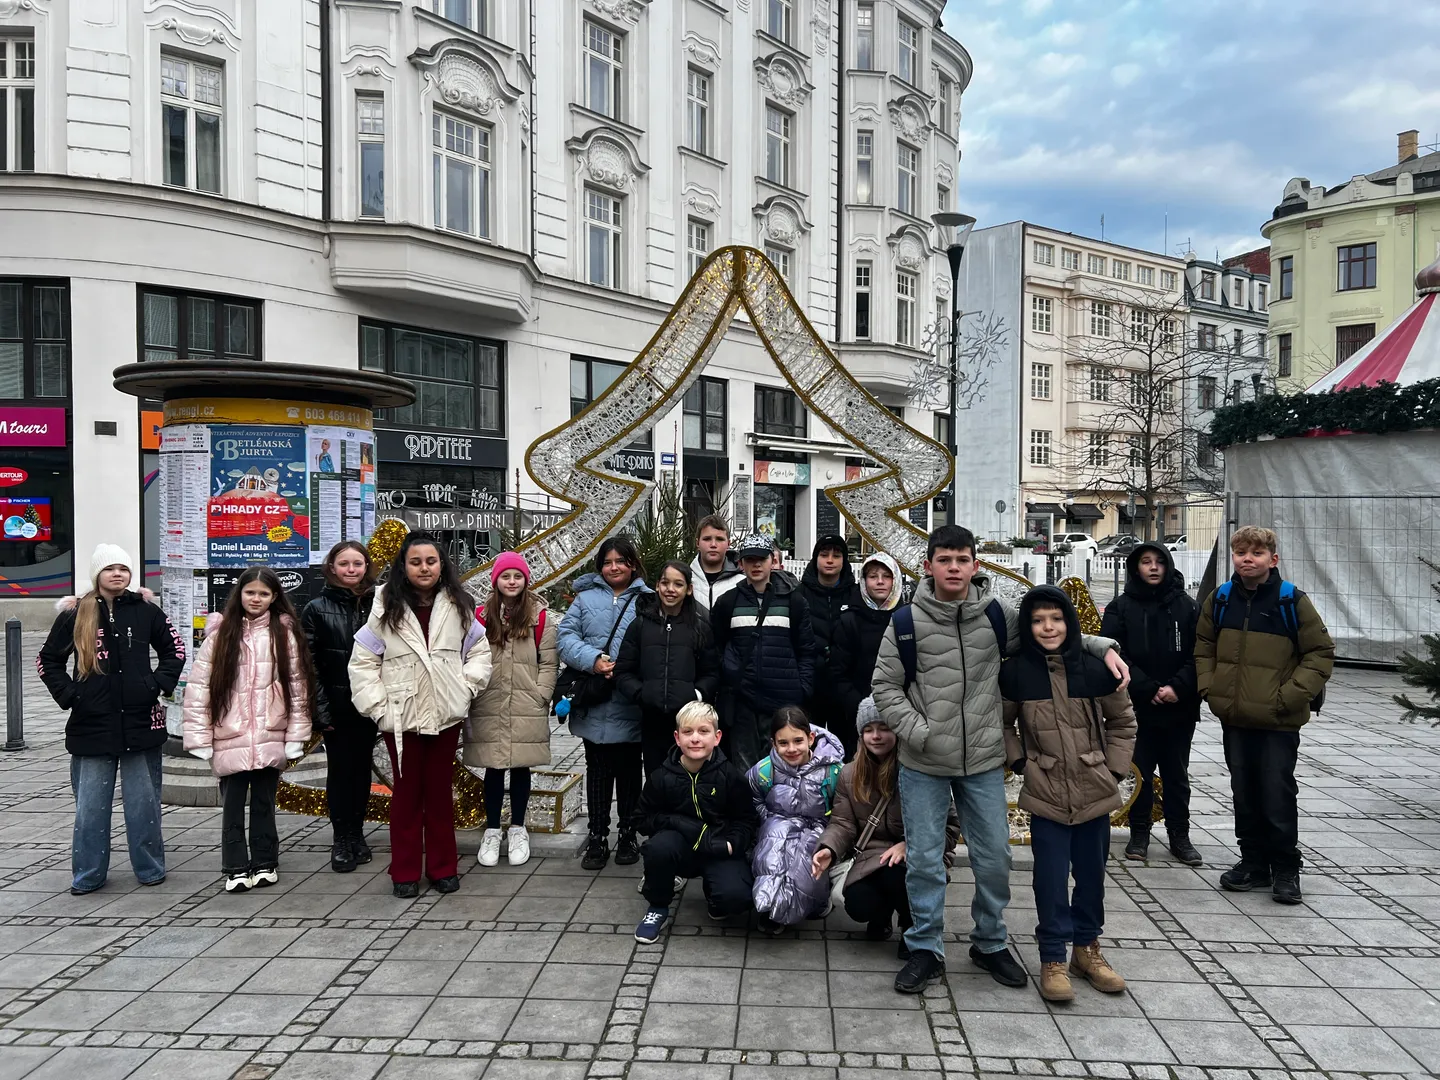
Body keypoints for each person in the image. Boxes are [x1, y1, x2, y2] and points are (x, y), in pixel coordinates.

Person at [871, 524, 1129, 994]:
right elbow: (885, 687)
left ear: (975, 565)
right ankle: (925, 946)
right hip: (924, 763)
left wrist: (1102, 646)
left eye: (962, 560)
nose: (954, 568)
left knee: (994, 858)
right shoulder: (905, 621)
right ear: (928, 566)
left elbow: (1048, 637)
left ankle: (989, 942)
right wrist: (919, 732)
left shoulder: (995, 615)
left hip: (983, 761)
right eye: (944, 560)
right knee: (925, 861)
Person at [1002, 585, 1137, 1002]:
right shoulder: (1016, 672)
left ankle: (1087, 948)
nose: (1048, 627)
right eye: (1038, 620)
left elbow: (1122, 723)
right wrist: (1022, 764)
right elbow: (1003, 726)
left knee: (1092, 876)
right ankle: (1052, 957)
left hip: (1094, 792)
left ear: (1070, 622)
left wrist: (1113, 769)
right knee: (1050, 878)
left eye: (1056, 619)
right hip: (1046, 795)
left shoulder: (1096, 668)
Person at [1196, 526, 1334, 905]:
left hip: (1278, 721)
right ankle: (1254, 863)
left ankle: (1286, 867)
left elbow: (1320, 652)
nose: (1247, 559)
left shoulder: (1292, 601)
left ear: (1272, 560)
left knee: (1277, 792)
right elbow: (1203, 645)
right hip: (1236, 718)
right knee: (1244, 792)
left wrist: (1288, 696)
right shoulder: (1220, 599)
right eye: (1241, 552)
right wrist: (1210, 688)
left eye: (1256, 553)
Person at [350, 533, 491, 898]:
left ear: (442, 565)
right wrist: (378, 707)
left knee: (441, 794)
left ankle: (443, 868)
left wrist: (465, 688)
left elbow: (479, 650)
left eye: (431, 561)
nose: (424, 568)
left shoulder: (459, 604)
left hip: (445, 715)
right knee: (407, 796)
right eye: (416, 562)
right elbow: (363, 661)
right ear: (404, 566)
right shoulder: (385, 606)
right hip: (401, 716)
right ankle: (405, 871)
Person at [38, 544, 185, 896]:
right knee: (90, 810)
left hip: (140, 723)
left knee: (144, 807)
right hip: (91, 727)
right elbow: (48, 660)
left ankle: (150, 869)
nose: (117, 574)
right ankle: (88, 875)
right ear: (97, 575)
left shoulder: (147, 611)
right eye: (109, 569)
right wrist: (72, 695)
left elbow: (175, 651)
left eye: (123, 568)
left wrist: (154, 685)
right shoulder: (76, 614)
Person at [184, 567, 314, 893]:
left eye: (263, 594)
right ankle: (235, 866)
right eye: (250, 592)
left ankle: (265, 861)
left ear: (274, 597)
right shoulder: (220, 635)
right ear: (239, 594)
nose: (256, 599)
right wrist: (199, 738)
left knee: (264, 803)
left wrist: (296, 735)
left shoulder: (283, 634)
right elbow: (199, 690)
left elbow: (298, 687)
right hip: (230, 734)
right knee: (232, 805)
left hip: (270, 734)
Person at [812, 697, 960, 949]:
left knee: (896, 874)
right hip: (870, 855)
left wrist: (910, 845)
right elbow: (843, 823)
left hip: (918, 855)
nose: (876, 736)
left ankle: (913, 926)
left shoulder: (923, 771)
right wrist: (828, 848)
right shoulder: (849, 774)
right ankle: (880, 916)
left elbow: (950, 827)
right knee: (859, 903)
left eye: (884, 728)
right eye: (868, 730)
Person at [1100, 542, 1202, 866]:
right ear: (1136, 567)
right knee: (1139, 772)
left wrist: (1177, 687)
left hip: (1178, 708)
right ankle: (1139, 833)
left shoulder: (1188, 607)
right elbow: (1113, 651)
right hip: (1136, 708)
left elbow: (1201, 654)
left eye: (1160, 561)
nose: (1154, 567)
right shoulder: (1121, 607)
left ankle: (1179, 835)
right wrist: (1147, 688)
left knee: (1176, 775)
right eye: (1146, 561)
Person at [557, 536, 651, 870]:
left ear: (632, 564)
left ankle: (627, 833)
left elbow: (656, 643)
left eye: (620, 561)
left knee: (629, 772)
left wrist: (628, 670)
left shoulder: (647, 600)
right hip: (594, 699)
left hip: (630, 701)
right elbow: (565, 638)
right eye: (608, 562)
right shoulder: (584, 599)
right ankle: (597, 835)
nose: (614, 567)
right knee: (597, 771)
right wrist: (593, 659)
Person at [633, 701, 758, 943]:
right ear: (677, 738)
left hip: (718, 846)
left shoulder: (730, 776)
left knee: (736, 898)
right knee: (657, 849)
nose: (695, 739)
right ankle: (657, 907)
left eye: (703, 731)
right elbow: (641, 818)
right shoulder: (661, 776)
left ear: (717, 737)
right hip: (680, 846)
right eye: (688, 732)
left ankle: (715, 895)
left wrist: (732, 844)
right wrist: (678, 822)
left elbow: (747, 819)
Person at [463, 552, 558, 868]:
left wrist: (541, 695)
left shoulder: (539, 618)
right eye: (506, 576)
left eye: (518, 576)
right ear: (496, 581)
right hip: (488, 701)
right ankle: (492, 829)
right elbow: (468, 655)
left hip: (525, 702)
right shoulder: (479, 617)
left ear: (526, 580)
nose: (512, 581)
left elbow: (549, 662)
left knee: (521, 766)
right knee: (492, 766)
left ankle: (518, 827)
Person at [710, 532, 819, 770]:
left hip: (784, 700)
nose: (756, 565)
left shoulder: (794, 601)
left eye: (761, 559)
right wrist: (730, 674)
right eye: (750, 559)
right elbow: (716, 647)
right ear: (741, 563)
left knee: (783, 770)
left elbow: (806, 650)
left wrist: (802, 689)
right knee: (745, 773)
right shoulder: (728, 602)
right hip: (743, 702)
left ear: (773, 560)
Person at [301, 541, 377, 874]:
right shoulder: (316, 608)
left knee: (362, 772)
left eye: (357, 564)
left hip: (371, 704)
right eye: (344, 563)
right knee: (340, 772)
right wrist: (320, 710)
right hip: (337, 705)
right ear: (332, 567)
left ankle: (358, 833)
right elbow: (309, 665)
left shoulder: (378, 604)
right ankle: (341, 838)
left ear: (366, 567)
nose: (351, 569)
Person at [614, 560, 720, 778]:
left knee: (688, 779)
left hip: (688, 724)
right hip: (652, 721)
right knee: (656, 779)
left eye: (678, 584)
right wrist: (641, 693)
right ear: (657, 586)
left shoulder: (700, 628)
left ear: (689, 589)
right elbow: (623, 671)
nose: (670, 589)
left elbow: (712, 673)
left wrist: (695, 695)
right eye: (665, 583)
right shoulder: (640, 625)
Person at [747, 706, 845, 934]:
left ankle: (813, 903)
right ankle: (770, 907)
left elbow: (843, 810)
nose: (791, 749)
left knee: (806, 864)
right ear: (773, 743)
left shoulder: (833, 771)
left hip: (818, 827)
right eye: (783, 743)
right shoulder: (764, 770)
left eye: (798, 741)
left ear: (810, 738)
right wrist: (767, 819)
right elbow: (752, 798)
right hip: (777, 822)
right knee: (773, 854)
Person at [830, 552, 904, 758]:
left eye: (886, 576)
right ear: (863, 581)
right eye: (873, 576)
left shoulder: (907, 618)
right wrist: (861, 706)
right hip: (857, 714)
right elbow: (838, 673)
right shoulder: (849, 620)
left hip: (900, 713)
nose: (880, 582)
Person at [799, 534, 860, 755]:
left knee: (845, 747)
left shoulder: (855, 594)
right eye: (824, 555)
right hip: (811, 685)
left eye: (837, 555)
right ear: (816, 558)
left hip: (845, 686)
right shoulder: (800, 594)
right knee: (809, 746)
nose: (830, 560)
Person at [689, 515, 742, 616]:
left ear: (728, 543)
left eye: (719, 539)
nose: (713, 544)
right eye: (707, 539)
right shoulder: (685, 580)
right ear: (697, 543)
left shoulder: (742, 582)